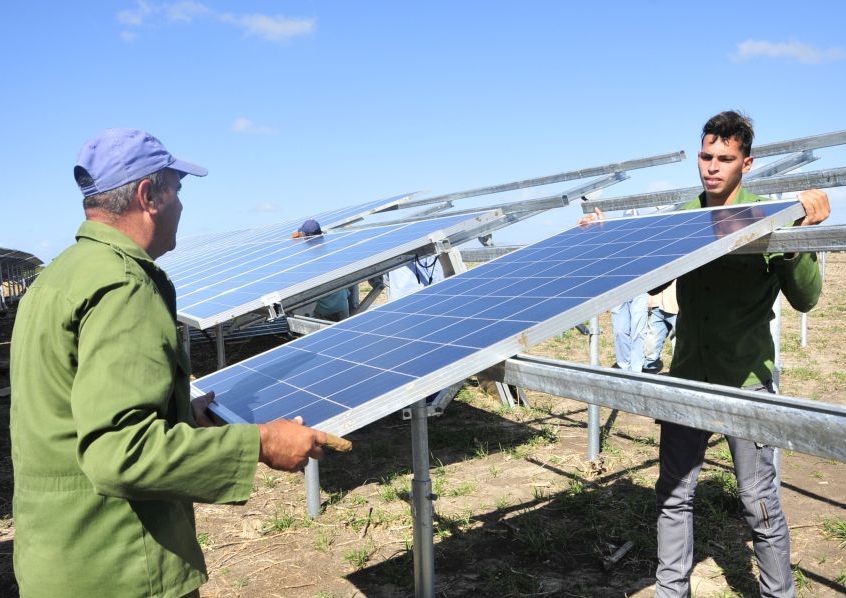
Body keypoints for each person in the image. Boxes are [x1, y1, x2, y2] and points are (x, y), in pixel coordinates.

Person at [10, 128, 330, 598]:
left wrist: (179, 415)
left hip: (59, 555)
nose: (182, 205)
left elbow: (69, 408)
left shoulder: (57, 277)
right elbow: (121, 454)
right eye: (178, 189)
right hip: (119, 565)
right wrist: (259, 444)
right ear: (148, 195)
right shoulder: (123, 286)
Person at [580, 110, 830, 597]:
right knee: (673, 494)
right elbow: (652, 280)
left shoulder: (770, 216)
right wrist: (609, 238)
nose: (712, 166)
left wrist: (800, 238)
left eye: (725, 158)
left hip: (747, 379)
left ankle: (778, 593)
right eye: (705, 155)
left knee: (759, 500)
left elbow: (806, 299)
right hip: (689, 374)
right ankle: (673, 589)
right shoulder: (685, 219)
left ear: (747, 163)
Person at [292, 218, 352, 321]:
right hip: (342, 304)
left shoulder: (310, 256)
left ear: (306, 236)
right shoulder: (331, 247)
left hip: (324, 309)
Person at [642, 279, 678, 374]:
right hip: (657, 305)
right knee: (652, 341)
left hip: (676, 306)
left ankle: (678, 373)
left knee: (678, 343)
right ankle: (650, 368)